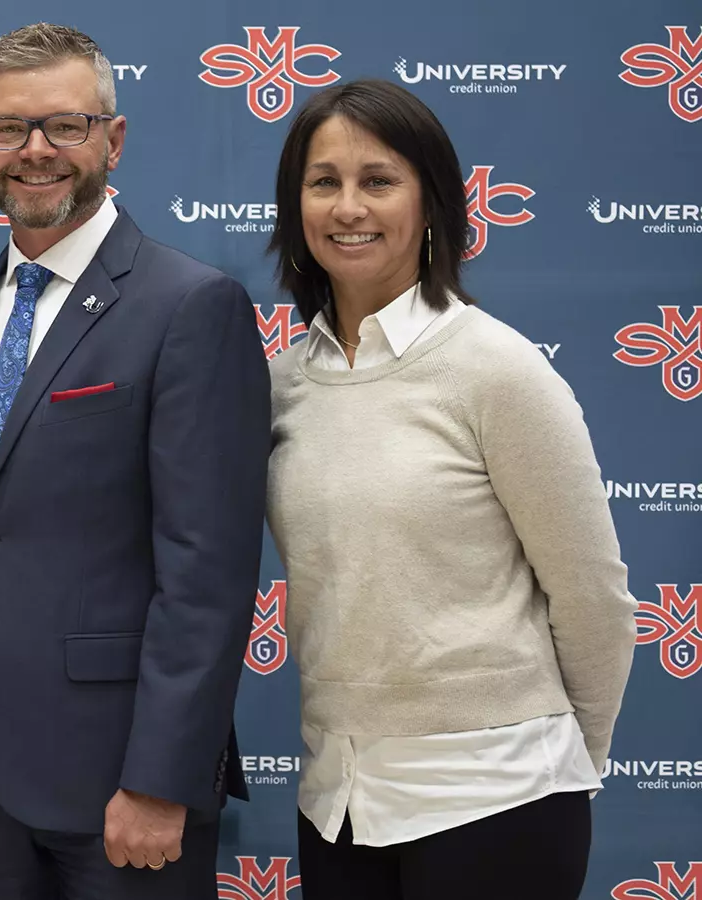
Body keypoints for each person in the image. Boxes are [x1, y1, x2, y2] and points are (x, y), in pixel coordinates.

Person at [0, 23, 271, 899]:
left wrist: (162, 777)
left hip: (124, 785)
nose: (35, 151)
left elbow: (206, 573)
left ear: (113, 137)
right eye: (9, 128)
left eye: (64, 126)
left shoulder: (192, 307)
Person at [264, 78, 638, 899]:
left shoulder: (495, 370)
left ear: (432, 201)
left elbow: (593, 599)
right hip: (339, 802)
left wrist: (569, 764)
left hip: (498, 800)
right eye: (324, 182)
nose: (349, 206)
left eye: (379, 180)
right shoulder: (285, 383)